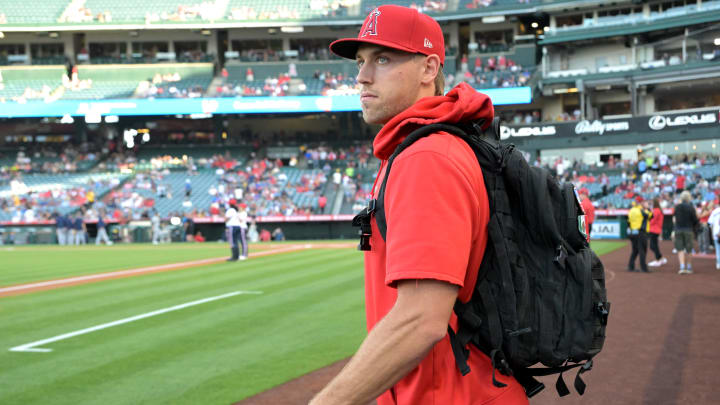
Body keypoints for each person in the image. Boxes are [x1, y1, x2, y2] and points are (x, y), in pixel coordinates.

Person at [312, 5, 527, 405]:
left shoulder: (425, 157)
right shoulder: (434, 145)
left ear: (429, 69)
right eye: (360, 62)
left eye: (383, 58)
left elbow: (420, 321)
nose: (362, 76)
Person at [674, 191, 699, 274]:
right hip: (688, 229)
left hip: (678, 229)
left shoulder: (677, 207)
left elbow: (675, 218)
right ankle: (689, 266)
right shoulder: (691, 207)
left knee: (680, 249)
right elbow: (695, 220)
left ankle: (682, 266)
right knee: (689, 249)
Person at [627, 198, 652, 273]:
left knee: (635, 250)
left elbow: (628, 221)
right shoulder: (641, 210)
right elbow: (650, 216)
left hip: (632, 232)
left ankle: (630, 266)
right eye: (644, 202)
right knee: (642, 250)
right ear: (641, 203)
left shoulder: (631, 210)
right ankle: (643, 268)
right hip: (640, 232)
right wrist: (647, 208)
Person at [648, 198, 666, 267]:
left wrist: (647, 222)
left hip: (654, 230)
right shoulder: (658, 210)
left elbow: (652, 220)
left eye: (652, 203)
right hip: (656, 229)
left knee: (652, 246)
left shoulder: (656, 210)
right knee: (654, 245)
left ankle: (658, 259)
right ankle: (661, 258)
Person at [709, 202, 720, 270]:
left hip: (716, 233)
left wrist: (713, 234)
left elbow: (710, 224)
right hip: (716, 233)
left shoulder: (714, 211)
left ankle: (719, 263)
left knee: (718, 249)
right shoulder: (714, 211)